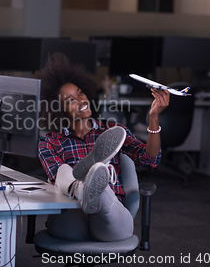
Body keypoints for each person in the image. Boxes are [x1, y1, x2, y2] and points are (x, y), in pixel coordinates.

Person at [33, 52, 169, 242]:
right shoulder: (49, 142)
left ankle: (96, 185)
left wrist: (154, 118)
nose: (81, 101)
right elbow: (57, 175)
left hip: (110, 221)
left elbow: (151, 160)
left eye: (80, 93)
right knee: (63, 171)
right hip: (71, 217)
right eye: (70, 100)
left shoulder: (113, 131)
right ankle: (83, 188)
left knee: (103, 193)